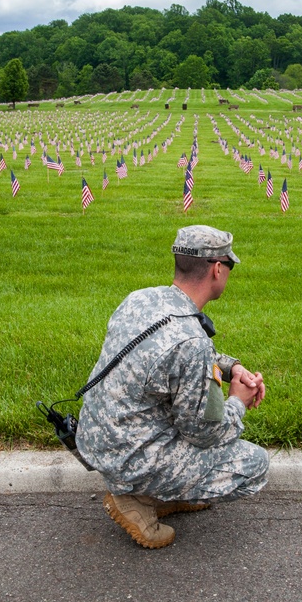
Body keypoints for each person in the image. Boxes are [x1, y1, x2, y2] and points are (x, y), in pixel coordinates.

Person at [76, 225, 268, 549]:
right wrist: (237, 401)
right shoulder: (192, 342)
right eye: (229, 266)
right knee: (255, 466)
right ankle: (139, 497)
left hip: (95, 437)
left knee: (186, 410)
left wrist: (231, 366)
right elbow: (205, 432)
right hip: (128, 458)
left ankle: (158, 487)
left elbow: (172, 354)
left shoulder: (141, 299)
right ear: (217, 269)